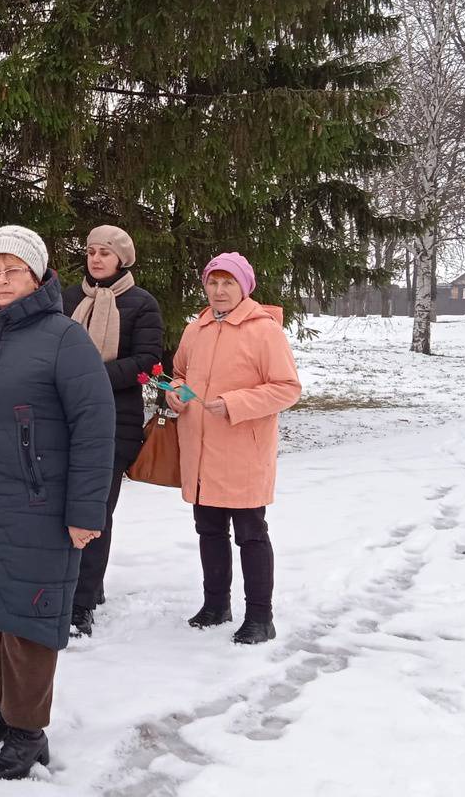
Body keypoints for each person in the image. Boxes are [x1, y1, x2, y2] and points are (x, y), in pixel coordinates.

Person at [0, 225, 115, 780]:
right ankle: (3, 713)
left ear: (36, 274)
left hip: (39, 505)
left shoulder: (63, 338)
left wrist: (86, 513)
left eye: (13, 270)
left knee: (29, 622)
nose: (2, 280)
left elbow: (95, 428)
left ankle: (29, 733)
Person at [165, 252, 301, 644]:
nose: (219, 290)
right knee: (208, 530)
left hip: (243, 449)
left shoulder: (264, 331)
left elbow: (287, 388)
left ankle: (261, 617)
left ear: (244, 287)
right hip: (201, 449)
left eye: (228, 282)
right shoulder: (198, 328)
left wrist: (235, 404)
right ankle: (215, 605)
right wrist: (175, 393)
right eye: (213, 282)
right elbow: (180, 373)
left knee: (250, 533)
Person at [62, 225, 163, 637]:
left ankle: (81, 604)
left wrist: (91, 376)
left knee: (96, 510)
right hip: (64, 417)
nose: (96, 259)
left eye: (105, 252)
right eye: (91, 251)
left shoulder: (141, 304)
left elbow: (147, 360)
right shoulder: (69, 299)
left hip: (114, 420)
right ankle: (75, 584)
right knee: (64, 507)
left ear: (122, 258)